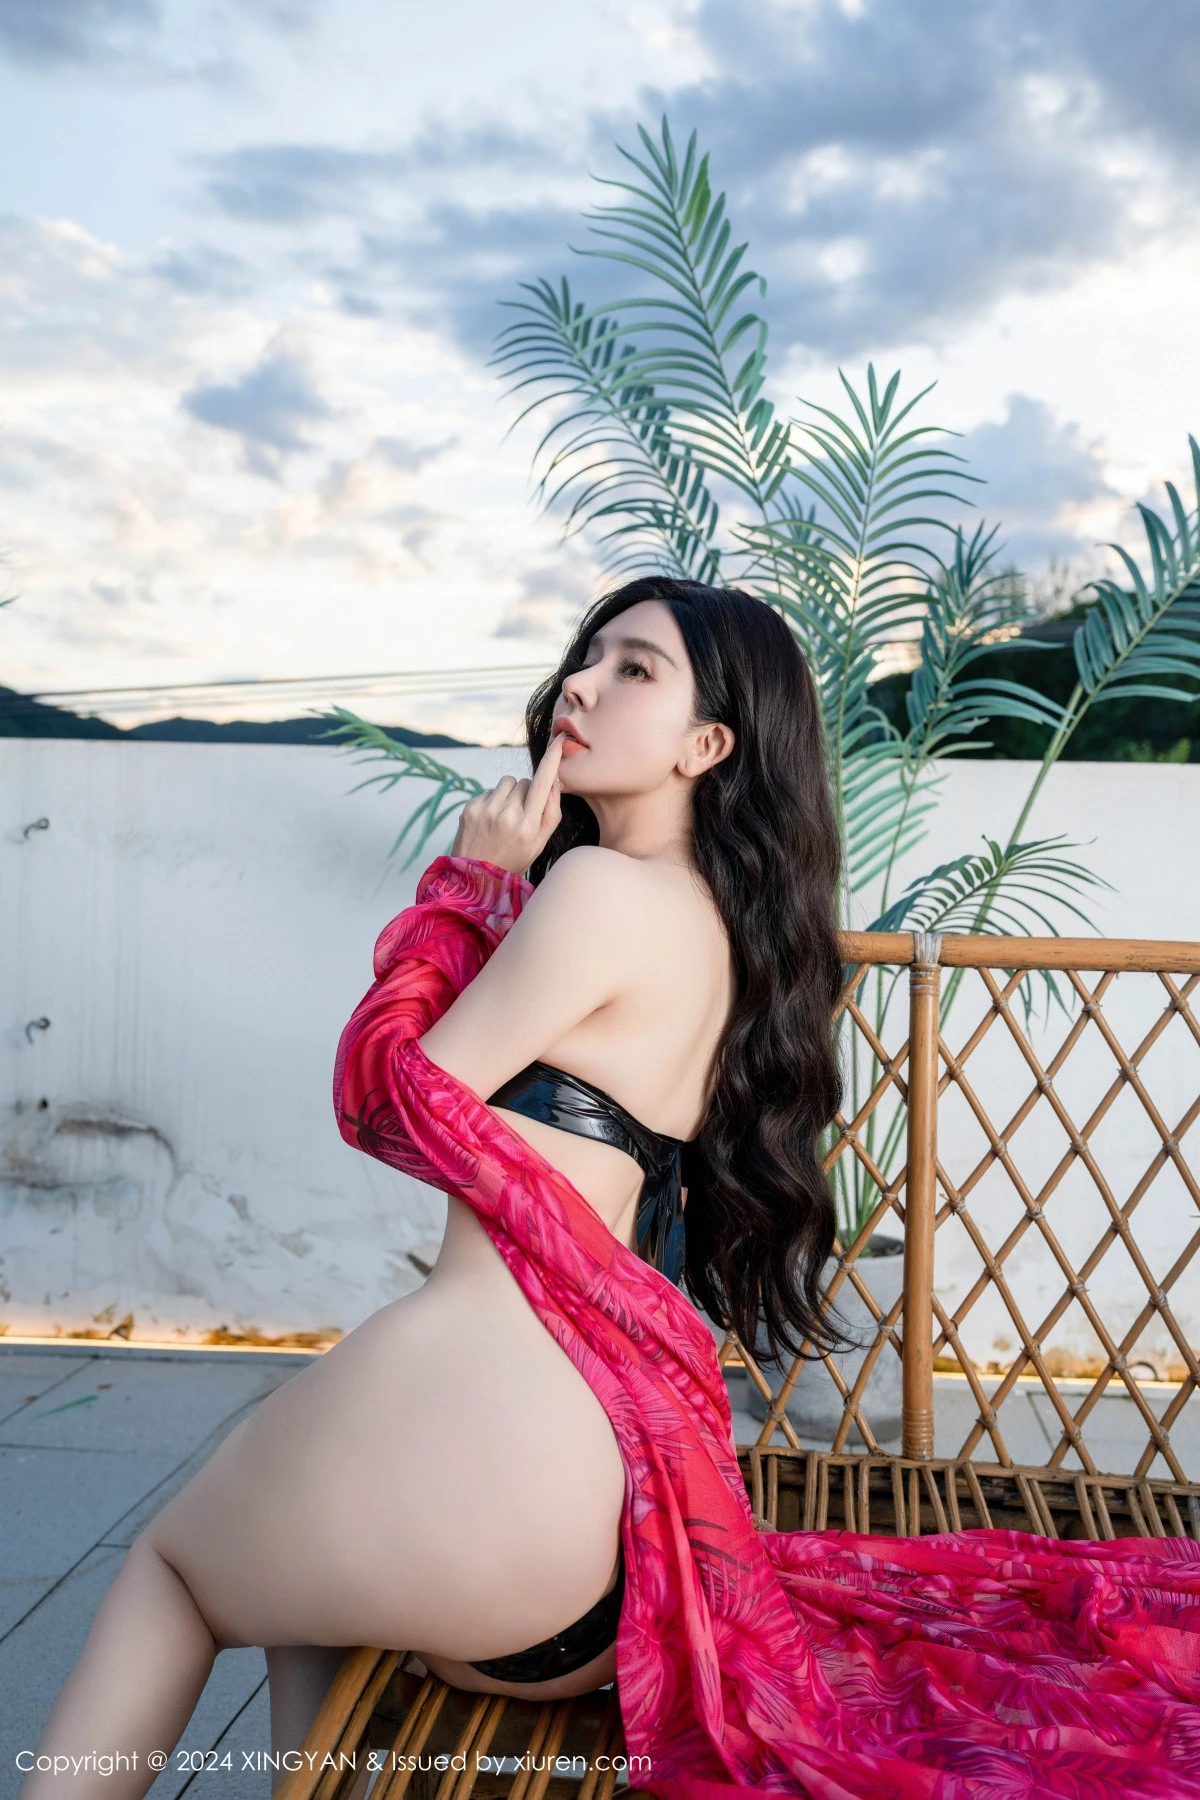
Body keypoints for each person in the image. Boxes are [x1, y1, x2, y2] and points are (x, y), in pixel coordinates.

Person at [19, 579, 1200, 1800]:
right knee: (292, 1590)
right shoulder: (727, 934)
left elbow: (386, 1100)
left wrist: (466, 883)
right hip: (605, 1549)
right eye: (588, 655)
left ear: (708, 745)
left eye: (635, 668)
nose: (579, 685)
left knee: (169, 1574)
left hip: (495, 1480)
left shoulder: (593, 894)